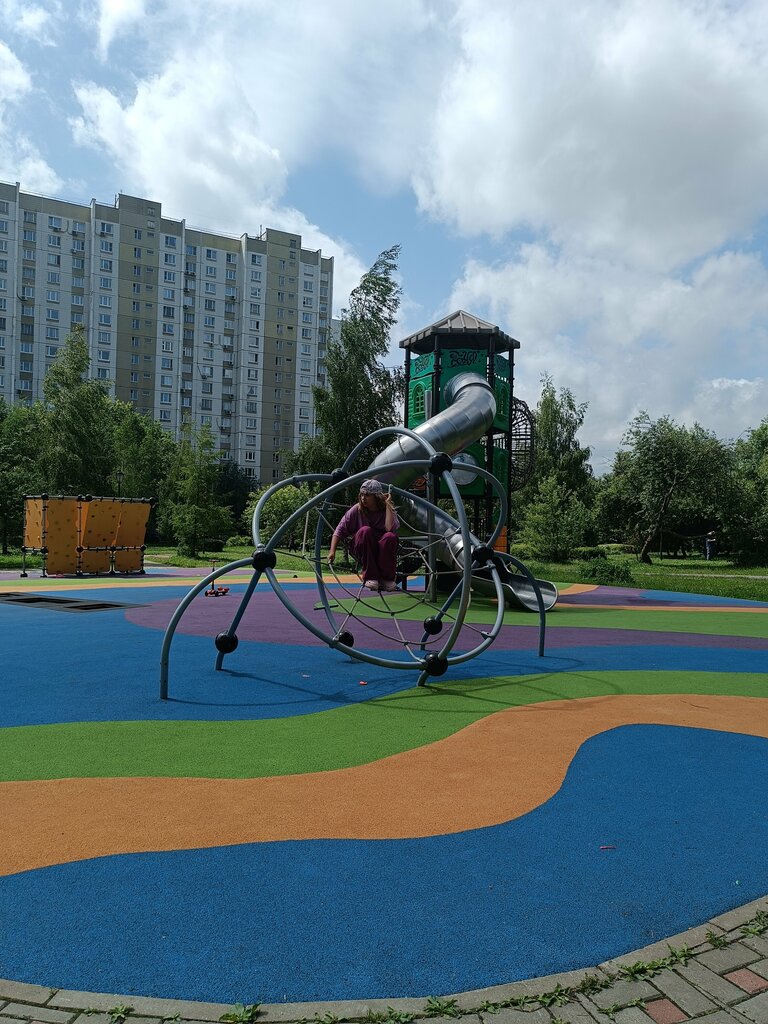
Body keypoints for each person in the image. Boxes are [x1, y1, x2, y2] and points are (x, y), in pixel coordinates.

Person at [328, 479, 400, 591]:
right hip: (363, 546)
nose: (363, 498)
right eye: (361, 495)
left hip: (382, 548)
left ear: (376, 496)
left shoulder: (387, 509)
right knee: (366, 531)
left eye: (367, 495)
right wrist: (332, 551)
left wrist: (388, 505)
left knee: (390, 537)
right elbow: (339, 530)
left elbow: (389, 528)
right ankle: (371, 577)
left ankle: (386, 579)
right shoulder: (357, 509)